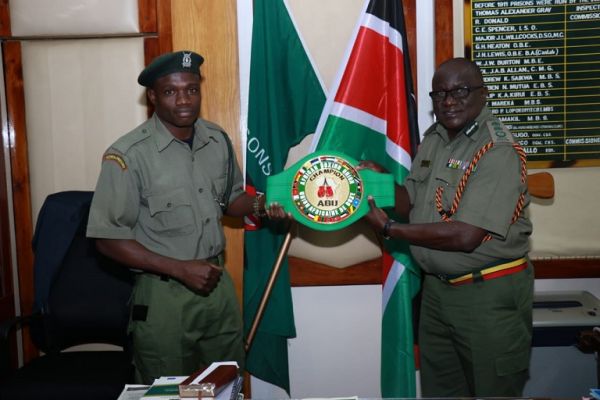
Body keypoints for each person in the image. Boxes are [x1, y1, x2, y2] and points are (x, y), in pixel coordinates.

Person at [86, 50, 285, 384]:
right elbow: (106, 239)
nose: (183, 100)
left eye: (191, 89)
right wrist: (180, 269)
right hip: (165, 297)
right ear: (152, 96)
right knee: (170, 390)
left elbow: (231, 199)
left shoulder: (216, 139)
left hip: (216, 286)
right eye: (170, 91)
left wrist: (262, 205)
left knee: (225, 385)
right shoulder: (129, 155)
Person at [361, 58, 533, 397]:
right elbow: (411, 201)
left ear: (483, 94)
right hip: (437, 294)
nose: (449, 102)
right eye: (439, 94)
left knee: (492, 391)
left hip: (487, 297)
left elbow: (466, 235)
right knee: (441, 393)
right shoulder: (436, 138)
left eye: (460, 91)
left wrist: (389, 229)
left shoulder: (497, 149)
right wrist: (382, 181)